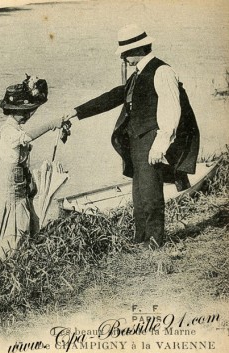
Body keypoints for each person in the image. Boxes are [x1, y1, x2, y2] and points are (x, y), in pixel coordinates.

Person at [63, 24, 199, 247]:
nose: (123, 59)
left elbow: (171, 109)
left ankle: (155, 241)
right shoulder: (138, 74)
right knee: (139, 193)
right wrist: (78, 112)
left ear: (140, 49)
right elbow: (115, 96)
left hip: (151, 140)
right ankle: (140, 240)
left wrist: (160, 144)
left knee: (151, 192)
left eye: (125, 53)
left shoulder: (162, 71)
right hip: (137, 141)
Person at [0, 75, 64, 262]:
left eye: (29, 111)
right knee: (6, 214)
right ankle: (0, 257)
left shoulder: (17, 128)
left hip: (17, 178)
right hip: (5, 180)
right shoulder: (9, 130)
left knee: (20, 212)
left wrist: (29, 179)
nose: (28, 115)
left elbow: (24, 159)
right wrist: (50, 124)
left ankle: (13, 255)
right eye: (24, 112)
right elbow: (27, 138)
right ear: (12, 110)